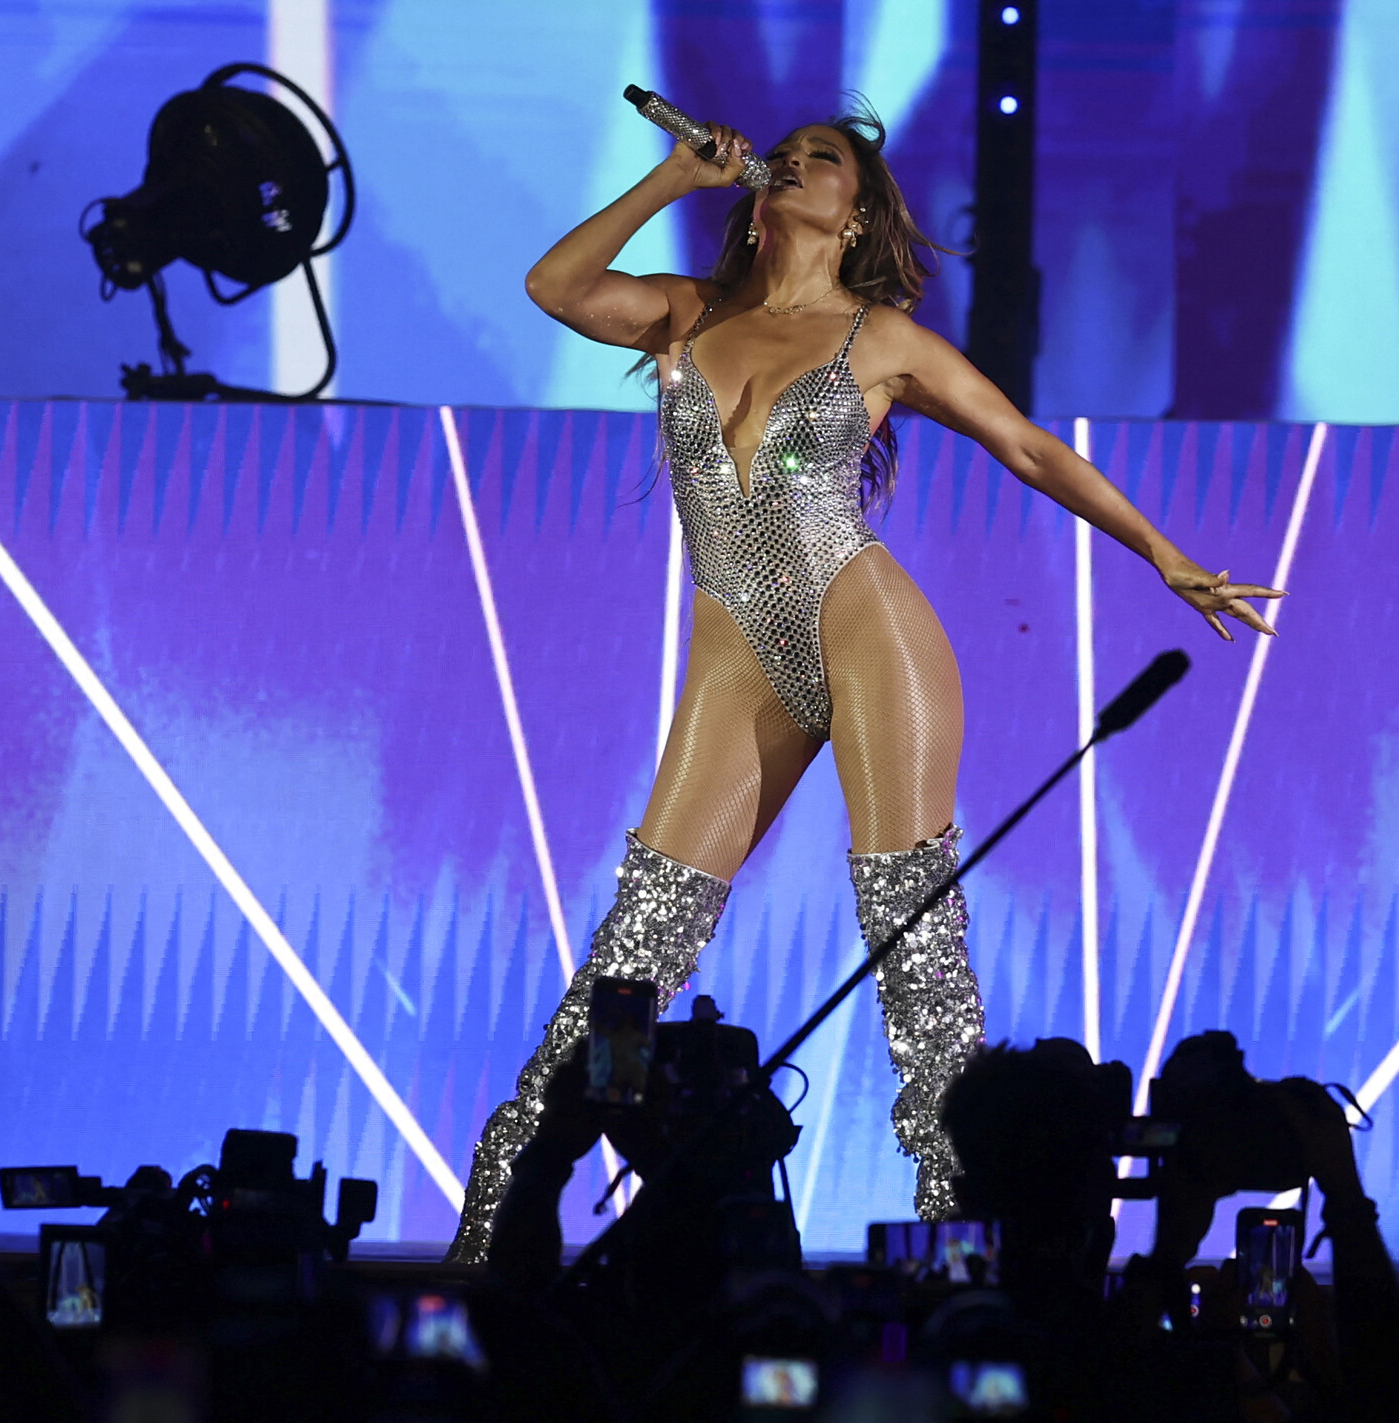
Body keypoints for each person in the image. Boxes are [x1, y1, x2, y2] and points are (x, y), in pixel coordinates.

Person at [446, 107, 1283, 1263]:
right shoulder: (688, 312)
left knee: (910, 932)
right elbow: (555, 287)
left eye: (826, 157)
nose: (796, 159)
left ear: (857, 216)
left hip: (862, 621)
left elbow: (1028, 446)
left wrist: (1163, 553)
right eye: (786, 151)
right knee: (633, 955)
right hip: (735, 653)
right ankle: (499, 1232)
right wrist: (674, 176)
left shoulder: (879, 338)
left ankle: (967, 1250)